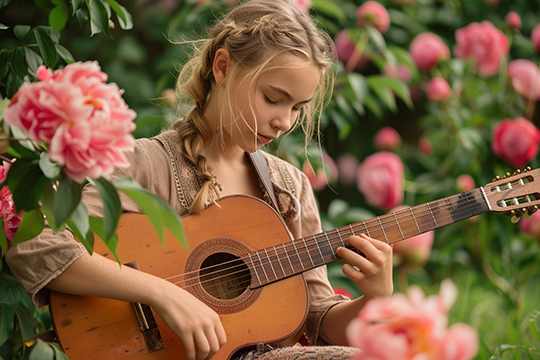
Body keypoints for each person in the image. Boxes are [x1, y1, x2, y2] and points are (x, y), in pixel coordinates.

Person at [5, 0, 393, 359]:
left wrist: (374, 299)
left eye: (297, 107)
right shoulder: (146, 164)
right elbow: (34, 239)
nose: (285, 121)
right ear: (222, 68)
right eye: (273, 98)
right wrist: (161, 293)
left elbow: (319, 319)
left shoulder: (289, 188)